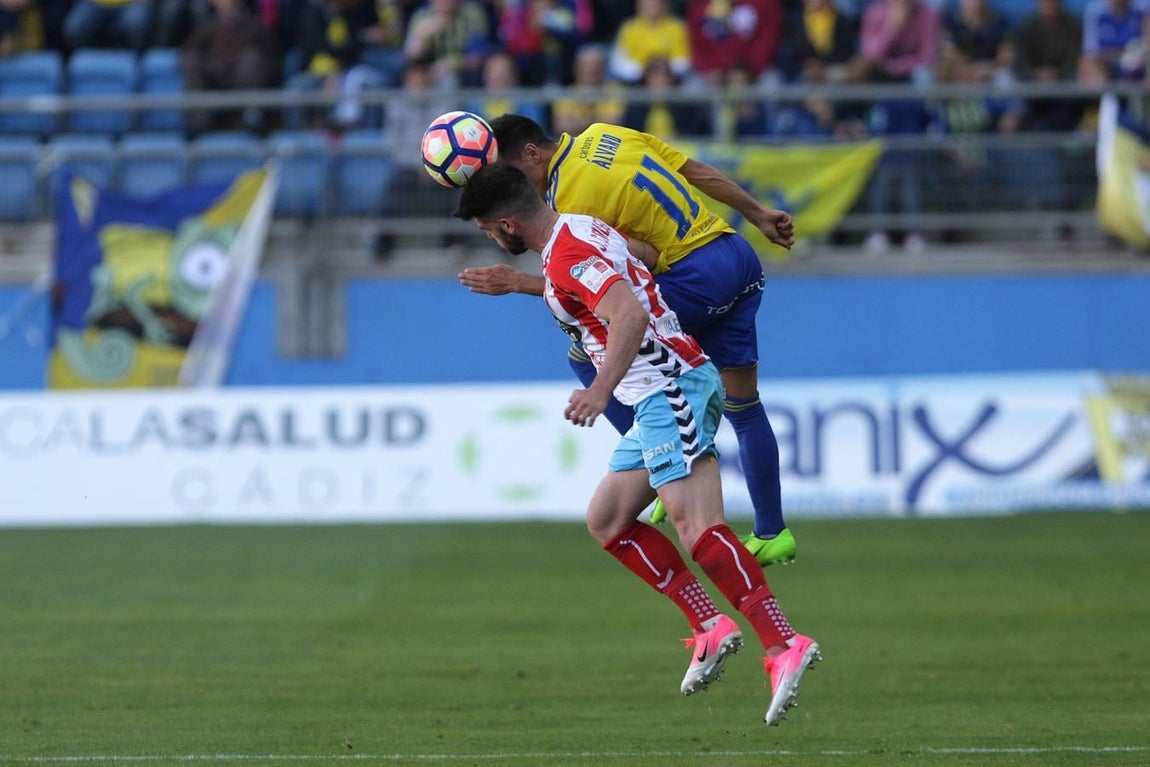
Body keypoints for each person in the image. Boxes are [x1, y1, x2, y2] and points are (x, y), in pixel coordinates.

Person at [454, 161, 821, 725]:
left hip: (668, 387)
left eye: (485, 229)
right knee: (608, 519)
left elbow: (624, 311)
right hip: (659, 390)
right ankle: (710, 625)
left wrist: (601, 391)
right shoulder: (579, 228)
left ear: (506, 224)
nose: (489, 238)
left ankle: (782, 644)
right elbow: (639, 266)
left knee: (697, 528)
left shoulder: (569, 251)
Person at [458, 113, 798, 568]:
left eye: (511, 172)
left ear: (532, 155)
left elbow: (620, 278)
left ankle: (660, 465)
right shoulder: (604, 135)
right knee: (744, 404)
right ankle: (773, 532)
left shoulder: (572, 199)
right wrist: (758, 213)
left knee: (587, 344)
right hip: (735, 253)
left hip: (693, 275)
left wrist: (517, 282)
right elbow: (690, 169)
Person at [180, 0, 281, 134]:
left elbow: (272, 59)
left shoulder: (255, 25)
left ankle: (250, 115)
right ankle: (199, 120)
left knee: (251, 59)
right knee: (191, 61)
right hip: (213, 78)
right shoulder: (209, 25)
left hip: (242, 79)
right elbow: (189, 50)